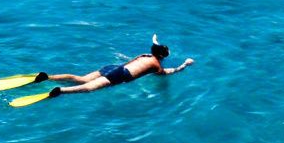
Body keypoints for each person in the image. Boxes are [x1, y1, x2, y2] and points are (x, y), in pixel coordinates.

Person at [34, 35, 193, 98]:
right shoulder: (156, 66)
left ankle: (48, 77)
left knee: (80, 79)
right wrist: (184, 65)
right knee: (89, 88)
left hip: (113, 67)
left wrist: (155, 39)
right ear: (162, 57)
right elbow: (170, 72)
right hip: (121, 75)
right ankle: (61, 91)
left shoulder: (146, 55)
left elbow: (155, 45)